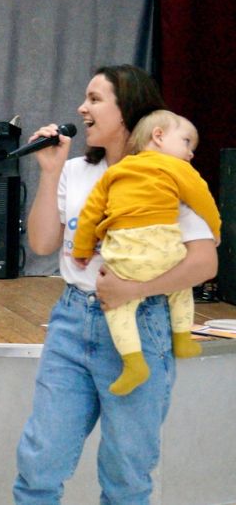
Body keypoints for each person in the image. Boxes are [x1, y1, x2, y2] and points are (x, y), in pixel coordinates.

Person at [12, 65, 217, 504]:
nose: (81, 109)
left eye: (94, 99)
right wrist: (49, 173)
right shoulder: (75, 171)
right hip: (72, 320)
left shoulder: (165, 174)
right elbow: (43, 243)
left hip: (141, 325)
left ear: (128, 109)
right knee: (41, 460)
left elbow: (205, 261)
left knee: (126, 474)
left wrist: (135, 289)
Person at [72, 109, 221, 396]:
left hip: (124, 253)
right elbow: (202, 198)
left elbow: (91, 212)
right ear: (159, 136)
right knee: (180, 287)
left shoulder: (116, 171)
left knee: (117, 307)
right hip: (163, 246)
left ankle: (133, 363)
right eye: (187, 142)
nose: (191, 153)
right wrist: (215, 229)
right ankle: (182, 338)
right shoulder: (176, 168)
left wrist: (82, 247)